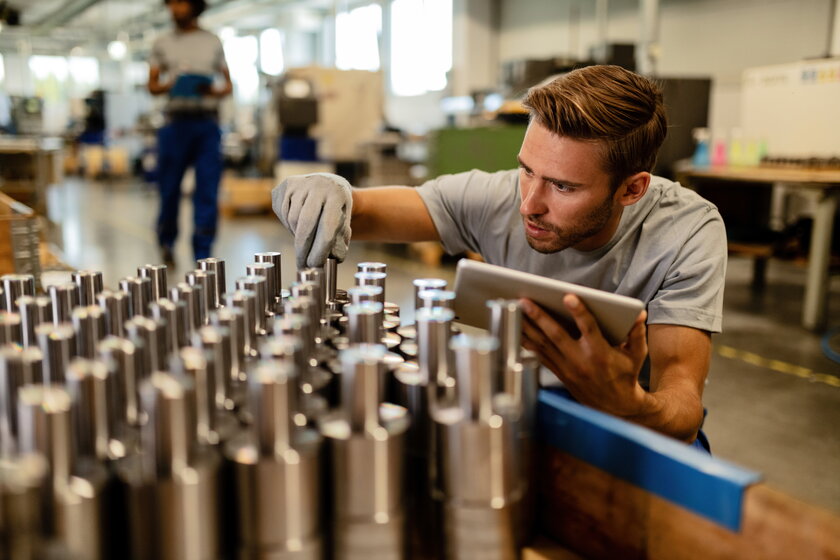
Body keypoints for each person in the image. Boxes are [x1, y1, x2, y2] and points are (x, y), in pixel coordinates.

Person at [271, 65, 726, 450]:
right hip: (527, 399)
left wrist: (627, 404)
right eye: (527, 170)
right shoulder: (496, 197)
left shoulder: (686, 231)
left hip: (639, 422)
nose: (529, 203)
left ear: (632, 189)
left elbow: (683, 407)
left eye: (563, 186)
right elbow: (364, 210)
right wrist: (322, 191)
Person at [148, 0, 232, 263]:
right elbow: (151, 86)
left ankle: (203, 253)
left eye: (181, 2)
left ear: (195, 6)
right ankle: (166, 241)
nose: (175, 8)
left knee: (207, 189)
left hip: (207, 125)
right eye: (171, 3)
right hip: (175, 124)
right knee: (169, 189)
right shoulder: (161, 42)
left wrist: (211, 90)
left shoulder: (213, 42)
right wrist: (172, 84)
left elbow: (227, 85)